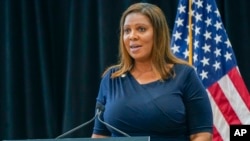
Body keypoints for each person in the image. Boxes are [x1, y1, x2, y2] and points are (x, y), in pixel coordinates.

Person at [91, 2, 213, 141]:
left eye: (141, 29)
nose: (132, 36)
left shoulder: (184, 75)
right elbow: (100, 135)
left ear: (158, 34)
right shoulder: (111, 78)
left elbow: (202, 134)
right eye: (127, 30)